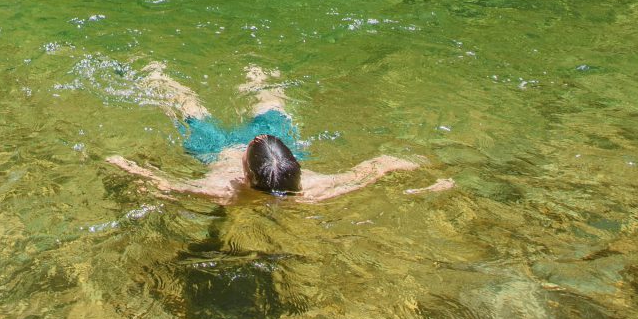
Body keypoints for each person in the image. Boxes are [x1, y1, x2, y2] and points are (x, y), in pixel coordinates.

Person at [107, 61, 452, 205]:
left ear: (246, 173)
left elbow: (166, 184)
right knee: (211, 112)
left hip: (216, 149)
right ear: (294, 164)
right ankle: (255, 76)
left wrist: (125, 165)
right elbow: (382, 165)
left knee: (193, 112)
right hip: (236, 146)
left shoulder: (227, 190)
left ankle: (159, 75)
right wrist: (434, 176)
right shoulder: (318, 190)